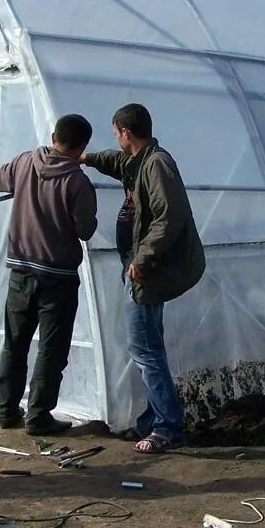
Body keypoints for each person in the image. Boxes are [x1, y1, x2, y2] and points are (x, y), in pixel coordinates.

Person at [82, 103, 205, 453]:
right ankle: (151, 422)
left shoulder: (157, 164)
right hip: (140, 268)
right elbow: (114, 161)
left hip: (146, 272)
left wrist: (143, 257)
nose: (115, 140)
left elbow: (171, 217)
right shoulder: (138, 161)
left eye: (116, 133)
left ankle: (167, 428)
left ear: (125, 132)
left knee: (145, 350)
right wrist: (85, 159)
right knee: (149, 347)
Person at [0, 114, 98, 435]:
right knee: (51, 350)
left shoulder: (25, 161)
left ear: (53, 135)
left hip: (21, 272)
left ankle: (6, 411)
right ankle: (38, 417)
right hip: (58, 277)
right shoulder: (77, 181)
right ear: (82, 146)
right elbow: (85, 229)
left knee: (15, 344)